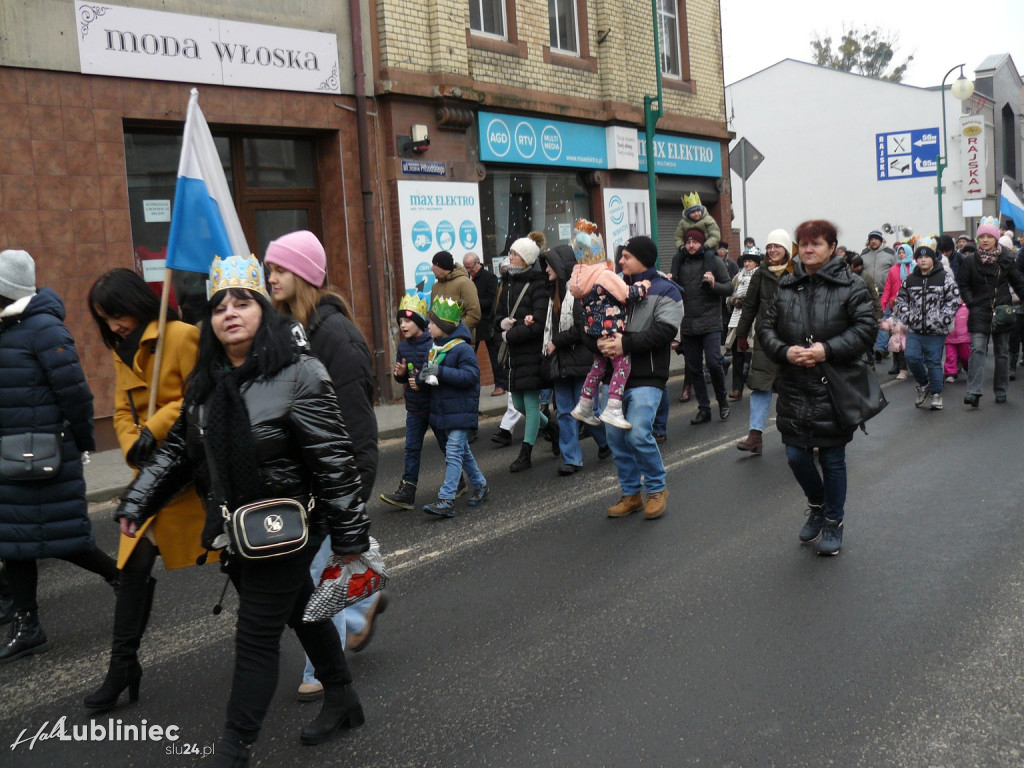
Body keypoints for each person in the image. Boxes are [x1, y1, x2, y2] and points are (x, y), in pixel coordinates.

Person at [116, 255, 369, 764]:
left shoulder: (300, 372)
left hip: (288, 527)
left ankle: (235, 745)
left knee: (255, 637)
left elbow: (336, 461)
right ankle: (343, 699)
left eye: (242, 302)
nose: (229, 313)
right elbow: (180, 452)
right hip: (238, 528)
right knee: (302, 610)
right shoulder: (207, 383)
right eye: (218, 306)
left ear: (263, 310)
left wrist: (350, 542)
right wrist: (140, 499)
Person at [263, 230, 385, 705]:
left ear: (305, 276)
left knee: (318, 575)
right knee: (320, 569)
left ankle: (321, 668)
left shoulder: (337, 337)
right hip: (300, 481)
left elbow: (358, 425)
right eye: (269, 269)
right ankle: (363, 606)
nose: (271, 277)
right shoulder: (286, 331)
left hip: (333, 482)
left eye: (280, 269)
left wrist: (348, 496)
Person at [83, 268, 207, 711]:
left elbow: (198, 395)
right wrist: (134, 446)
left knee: (249, 569)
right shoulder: (122, 349)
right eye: (105, 318)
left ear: (135, 303)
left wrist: (154, 429)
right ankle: (123, 667)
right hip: (151, 479)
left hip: (191, 477)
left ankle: (323, 637)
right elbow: (119, 408)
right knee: (132, 568)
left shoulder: (180, 335)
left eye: (116, 314)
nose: (113, 325)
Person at [0, 250, 119, 664]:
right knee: (15, 543)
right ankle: (27, 624)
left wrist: (83, 444)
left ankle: (123, 579)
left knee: (65, 540)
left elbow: (76, 393)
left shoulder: (44, 329)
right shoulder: (8, 328)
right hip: (11, 459)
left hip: (42, 457)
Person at [760, 220, 877, 556]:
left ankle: (833, 522)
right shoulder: (787, 284)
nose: (808, 250)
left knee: (832, 458)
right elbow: (767, 328)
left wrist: (828, 349)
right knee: (796, 455)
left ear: (831, 247)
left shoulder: (850, 285)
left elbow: (865, 328)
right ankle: (817, 504)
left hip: (833, 386)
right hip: (795, 385)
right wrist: (785, 351)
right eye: (804, 244)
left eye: (816, 244)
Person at [597, 236, 682, 521]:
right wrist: (598, 341)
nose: (620, 261)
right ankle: (631, 493)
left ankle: (657, 489)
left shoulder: (667, 290)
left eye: (626, 257)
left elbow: (665, 332)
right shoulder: (613, 289)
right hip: (614, 377)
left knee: (637, 433)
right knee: (616, 439)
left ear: (643, 259)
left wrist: (624, 344)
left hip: (647, 375)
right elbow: (595, 322)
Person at [567, 219, 649, 430]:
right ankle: (613, 407)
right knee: (622, 366)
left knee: (598, 366)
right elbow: (626, 295)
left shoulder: (579, 279)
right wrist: (643, 285)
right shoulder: (603, 274)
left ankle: (584, 404)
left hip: (595, 330)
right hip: (612, 328)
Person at [540, 244, 611, 475]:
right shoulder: (553, 294)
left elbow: (583, 328)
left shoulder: (578, 292)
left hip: (580, 361)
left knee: (586, 410)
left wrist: (556, 341)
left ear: (560, 266)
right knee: (564, 411)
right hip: (560, 363)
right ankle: (571, 459)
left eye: (549, 264)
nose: (546, 269)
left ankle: (606, 443)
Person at [493, 236, 558, 472]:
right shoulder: (508, 282)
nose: (509, 258)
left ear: (527, 259)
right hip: (513, 355)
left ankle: (526, 452)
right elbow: (498, 315)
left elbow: (539, 323)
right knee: (519, 403)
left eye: (514, 254)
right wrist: (502, 325)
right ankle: (551, 428)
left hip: (531, 353)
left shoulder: (538, 284)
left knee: (530, 404)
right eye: (510, 254)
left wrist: (512, 333)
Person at [420, 297, 489, 517]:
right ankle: (480, 485)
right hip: (446, 410)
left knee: (453, 453)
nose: (428, 326)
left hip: (461, 409)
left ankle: (446, 499)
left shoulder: (462, 350)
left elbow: (471, 377)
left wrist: (439, 373)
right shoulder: (435, 349)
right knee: (463, 452)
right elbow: (430, 373)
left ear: (444, 327)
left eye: (432, 323)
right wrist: (421, 376)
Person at [380, 285, 445, 509]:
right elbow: (403, 376)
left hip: (434, 406)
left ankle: (459, 482)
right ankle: (408, 491)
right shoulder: (403, 347)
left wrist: (421, 379)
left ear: (419, 321)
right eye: (400, 322)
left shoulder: (433, 344)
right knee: (411, 448)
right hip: (415, 408)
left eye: (407, 321)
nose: (402, 325)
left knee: (448, 446)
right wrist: (400, 376)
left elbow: (437, 375)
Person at [734, 229, 794, 454]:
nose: (772, 250)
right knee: (760, 385)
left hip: (792, 339)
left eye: (777, 246)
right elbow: (750, 305)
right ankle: (755, 436)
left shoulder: (797, 273)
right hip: (765, 339)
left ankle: (800, 434)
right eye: (769, 247)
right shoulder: (760, 274)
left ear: (786, 248)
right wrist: (742, 334)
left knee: (793, 387)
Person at [957, 216, 1024, 407]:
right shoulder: (970, 261)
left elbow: (1018, 282)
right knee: (977, 349)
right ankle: (973, 391)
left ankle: (1001, 390)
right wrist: (971, 303)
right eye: (982, 236)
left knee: (1002, 352)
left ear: (996, 238)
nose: (985, 240)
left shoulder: (1007, 259)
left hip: (1002, 310)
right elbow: (963, 284)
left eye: (989, 236)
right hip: (979, 310)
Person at [671, 227, 734, 423]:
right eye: (688, 242)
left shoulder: (713, 261)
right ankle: (704, 408)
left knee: (714, 362)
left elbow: (729, 287)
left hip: (710, 322)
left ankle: (723, 401)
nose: (691, 245)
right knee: (694, 367)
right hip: (688, 323)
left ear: (702, 243)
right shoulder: (679, 262)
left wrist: (714, 285)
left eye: (695, 242)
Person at [891, 240, 961, 411]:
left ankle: (937, 394)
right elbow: (901, 299)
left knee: (933, 362)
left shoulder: (944, 277)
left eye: (926, 257)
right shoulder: (910, 279)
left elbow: (953, 300)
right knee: (911, 357)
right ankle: (923, 384)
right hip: (915, 328)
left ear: (933, 259)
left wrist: (942, 319)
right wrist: (907, 316)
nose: (923, 260)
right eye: (919, 257)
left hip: (936, 330)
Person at [463, 253, 502, 394]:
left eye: (470, 267)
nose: (468, 271)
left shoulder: (489, 278)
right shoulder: (467, 279)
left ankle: (500, 385)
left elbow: (491, 301)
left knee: (494, 355)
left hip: (487, 322)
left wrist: (473, 304)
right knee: (469, 355)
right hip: (473, 323)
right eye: (466, 268)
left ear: (478, 263)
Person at [725, 247, 760, 400]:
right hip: (737, 319)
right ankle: (737, 388)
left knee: (754, 353)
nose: (747, 264)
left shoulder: (760, 276)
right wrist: (734, 300)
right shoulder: (738, 277)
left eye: (750, 261)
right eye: (745, 261)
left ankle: (758, 385)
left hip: (755, 320)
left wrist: (748, 301)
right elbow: (728, 295)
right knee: (737, 353)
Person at [880, 243, 915, 379]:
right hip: (895, 305)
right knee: (895, 334)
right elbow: (888, 287)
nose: (901, 255)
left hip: (912, 305)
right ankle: (897, 363)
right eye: (899, 253)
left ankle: (908, 363)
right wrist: (883, 305)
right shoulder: (893, 269)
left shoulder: (914, 267)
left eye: (903, 252)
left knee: (908, 335)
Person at [861, 229, 897, 359]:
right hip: (868, 293)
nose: (873, 241)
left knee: (883, 319)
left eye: (876, 238)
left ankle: (881, 348)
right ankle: (878, 347)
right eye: (871, 239)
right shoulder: (864, 254)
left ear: (881, 240)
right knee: (871, 321)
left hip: (885, 293)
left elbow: (896, 271)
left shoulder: (890, 253)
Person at [430, 250, 481, 337]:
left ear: (441, 266)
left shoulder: (464, 283)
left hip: (460, 341)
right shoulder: (435, 287)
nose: (432, 268)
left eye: (434, 265)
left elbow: (474, 314)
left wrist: (453, 331)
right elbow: (432, 313)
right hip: (438, 342)